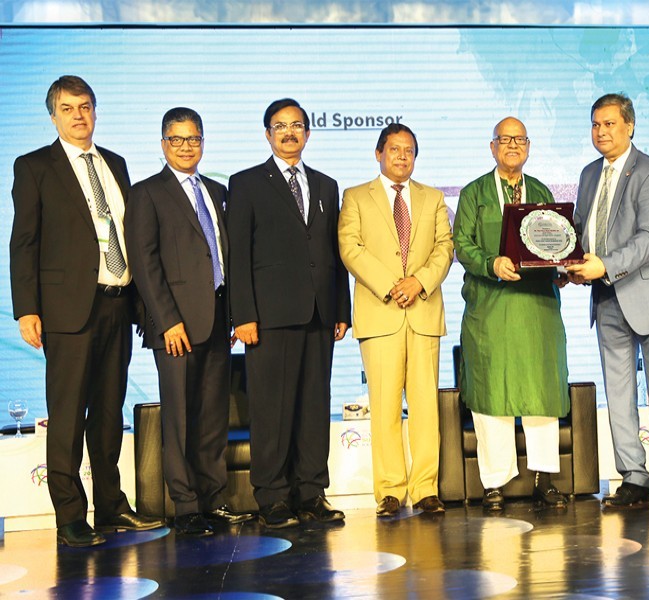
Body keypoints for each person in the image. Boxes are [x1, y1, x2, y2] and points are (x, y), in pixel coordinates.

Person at [10, 75, 165, 547]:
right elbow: (24, 242)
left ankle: (112, 507)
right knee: (68, 415)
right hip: (67, 311)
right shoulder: (34, 166)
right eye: (68, 108)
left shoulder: (115, 163)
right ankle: (70, 517)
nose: (78, 116)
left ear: (95, 111)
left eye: (85, 106)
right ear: (53, 116)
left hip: (117, 304)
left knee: (108, 414)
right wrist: (26, 309)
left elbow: (131, 233)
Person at [126, 107, 252, 535]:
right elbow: (145, 264)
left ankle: (213, 499)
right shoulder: (147, 193)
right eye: (177, 139)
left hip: (216, 321)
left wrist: (233, 314)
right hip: (175, 326)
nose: (186, 147)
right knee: (179, 418)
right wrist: (167, 321)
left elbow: (225, 256)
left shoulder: (217, 190)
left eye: (193, 139)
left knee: (212, 416)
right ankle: (185, 507)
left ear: (202, 142)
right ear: (163, 144)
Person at [227, 98, 351, 528]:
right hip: (269, 317)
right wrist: (243, 314)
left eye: (296, 125)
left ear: (308, 133)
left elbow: (333, 252)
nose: (289, 133)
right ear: (267, 134)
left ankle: (311, 492)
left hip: (319, 313)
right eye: (280, 126)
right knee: (272, 410)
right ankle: (273, 497)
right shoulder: (246, 183)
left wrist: (341, 307)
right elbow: (237, 256)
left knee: (315, 407)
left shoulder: (326, 185)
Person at [567, 93, 649, 511]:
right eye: (595, 124)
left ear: (629, 126)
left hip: (647, 295)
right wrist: (568, 263)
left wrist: (605, 265)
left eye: (610, 124)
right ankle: (633, 477)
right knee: (618, 396)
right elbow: (580, 230)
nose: (601, 132)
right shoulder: (588, 174)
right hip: (605, 296)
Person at [453, 117, 569, 511]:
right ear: (492, 147)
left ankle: (544, 480)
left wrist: (561, 267)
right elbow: (462, 245)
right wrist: (492, 263)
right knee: (492, 393)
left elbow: (553, 241)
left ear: (529, 146)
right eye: (505, 139)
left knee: (541, 391)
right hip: (491, 308)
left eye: (519, 139)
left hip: (537, 309)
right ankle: (494, 483)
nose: (513, 145)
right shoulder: (474, 193)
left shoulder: (541, 191)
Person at [338, 123, 453, 517]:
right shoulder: (355, 196)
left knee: (425, 407)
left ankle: (426, 489)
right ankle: (389, 491)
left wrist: (418, 282)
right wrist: (392, 286)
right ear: (378, 154)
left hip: (423, 312)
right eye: (394, 149)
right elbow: (350, 248)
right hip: (381, 312)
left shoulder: (433, 197)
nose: (402, 157)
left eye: (409, 151)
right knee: (384, 406)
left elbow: (444, 248)